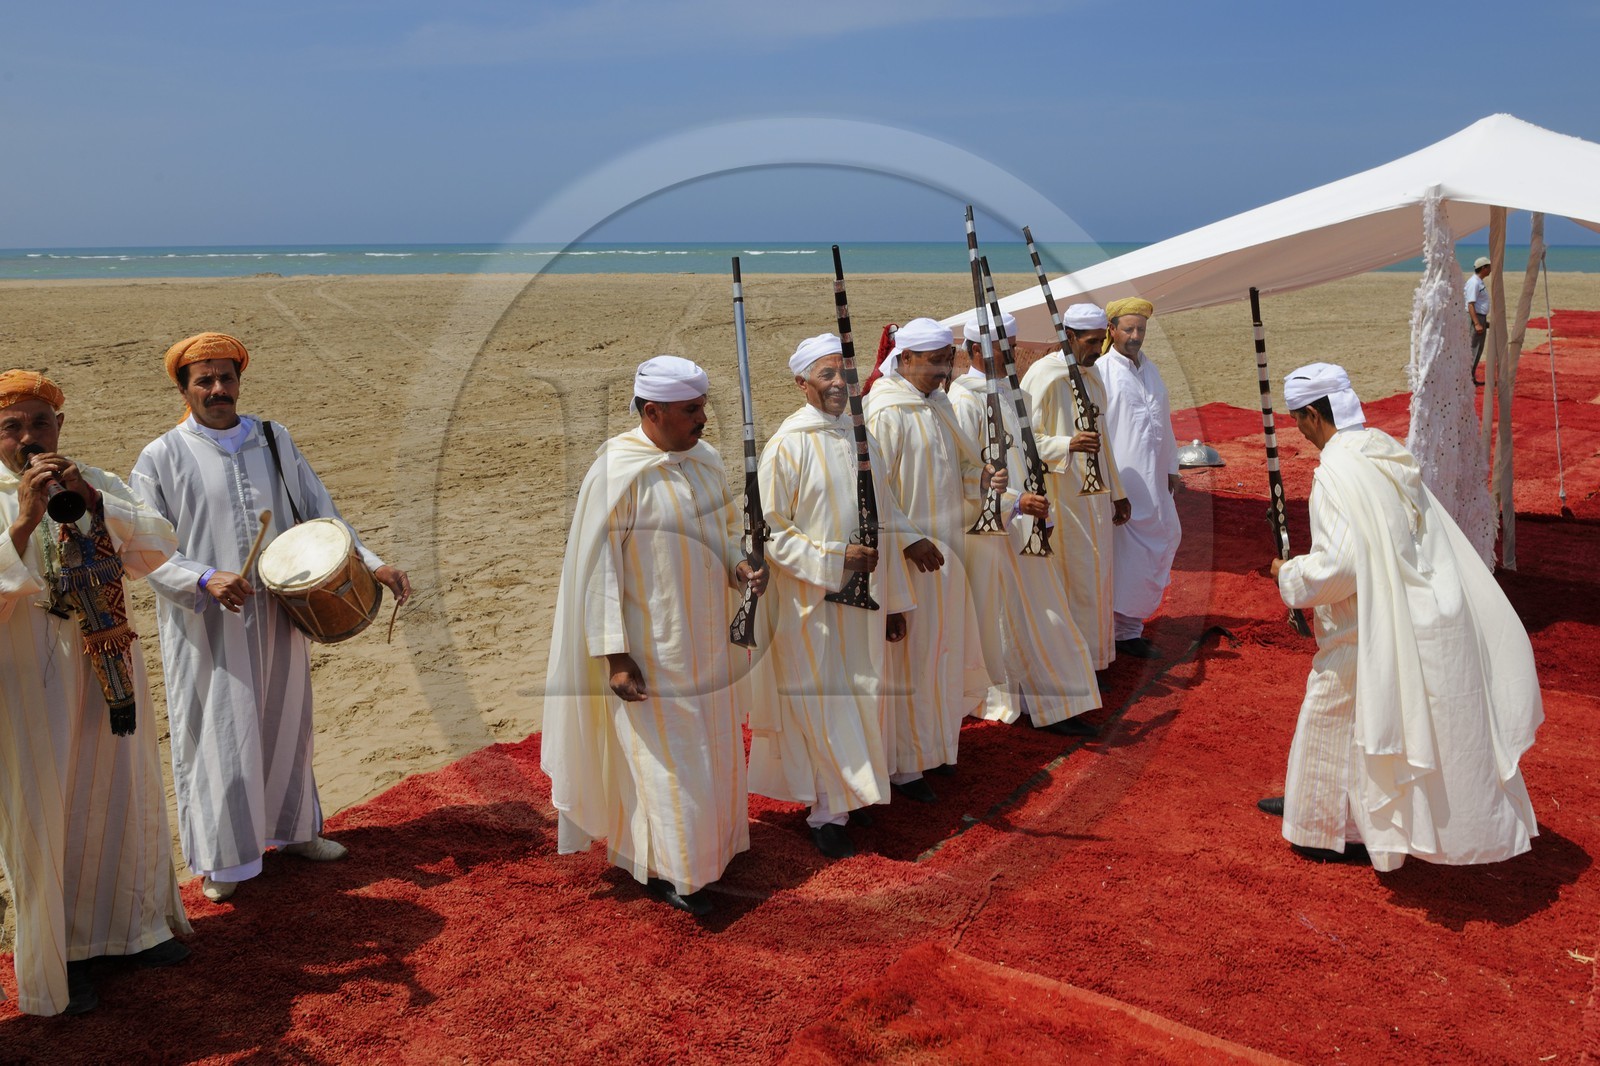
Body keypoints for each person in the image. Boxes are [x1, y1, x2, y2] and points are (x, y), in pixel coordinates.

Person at [130, 332, 410, 904]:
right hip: (209, 624)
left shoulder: (272, 439)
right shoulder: (160, 457)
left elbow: (320, 516)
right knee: (220, 732)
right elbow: (145, 549)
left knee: (287, 721)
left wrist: (372, 564)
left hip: (281, 612)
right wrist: (205, 578)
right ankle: (225, 859)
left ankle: (298, 831)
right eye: (204, 380)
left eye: (226, 377)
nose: (217, 389)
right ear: (183, 389)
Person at [1259, 363, 1541, 869]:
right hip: (1404, 612)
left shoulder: (1335, 473)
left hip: (1363, 627)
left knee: (1332, 713)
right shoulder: (1380, 451)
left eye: (1297, 419)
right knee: (1364, 723)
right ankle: (1328, 816)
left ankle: (1326, 828)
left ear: (1309, 415)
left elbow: (1340, 566)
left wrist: (1288, 573)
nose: (1298, 430)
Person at [542, 355, 764, 915]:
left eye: (704, 407)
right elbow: (598, 573)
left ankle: (714, 850)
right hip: (653, 646)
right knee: (667, 760)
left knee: (711, 749)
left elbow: (727, 530)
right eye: (691, 411)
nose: (703, 419)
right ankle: (673, 871)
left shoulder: (705, 460)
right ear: (652, 411)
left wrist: (741, 567)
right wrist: (617, 656)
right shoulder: (617, 472)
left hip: (709, 640)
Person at [0, 370, 191, 1016]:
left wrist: (92, 500)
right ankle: (67, 959)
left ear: (58, 427)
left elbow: (160, 546)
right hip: (32, 680)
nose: (29, 438)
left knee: (118, 797)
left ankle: (133, 933)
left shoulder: (96, 481)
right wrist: (24, 523)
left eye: (40, 424)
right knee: (49, 813)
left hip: (108, 673)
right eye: (12, 427)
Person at [747, 334, 915, 859]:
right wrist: (834, 558)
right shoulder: (787, 444)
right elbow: (768, 532)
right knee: (822, 703)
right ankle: (826, 813)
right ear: (803, 384)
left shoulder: (862, 437)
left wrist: (895, 599)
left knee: (863, 694)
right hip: (810, 604)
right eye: (827, 375)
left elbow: (884, 517)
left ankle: (851, 796)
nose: (840, 383)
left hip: (865, 602)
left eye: (844, 372)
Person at [862, 318, 999, 802]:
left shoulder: (937, 404)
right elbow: (874, 495)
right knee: (911, 661)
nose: (944, 370)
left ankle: (936, 749)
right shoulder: (883, 413)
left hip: (946, 550)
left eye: (948, 358)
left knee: (942, 653)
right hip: (906, 560)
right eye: (934, 360)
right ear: (905, 359)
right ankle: (905, 765)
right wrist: (908, 539)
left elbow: (959, 465)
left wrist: (980, 478)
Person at [948, 313, 1101, 735]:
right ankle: (1039, 701)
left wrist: (1037, 504)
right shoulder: (963, 401)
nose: (1010, 351)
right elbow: (965, 474)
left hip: (1026, 516)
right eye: (1002, 344)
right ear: (975, 351)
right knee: (1018, 614)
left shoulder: (1010, 390)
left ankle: (1052, 700)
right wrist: (1013, 503)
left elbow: (1027, 453)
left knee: (1039, 609)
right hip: (993, 525)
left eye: (1013, 342)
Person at [1019, 303, 1131, 672]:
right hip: (1060, 498)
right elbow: (1023, 440)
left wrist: (1117, 492)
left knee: (1096, 579)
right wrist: (1066, 443)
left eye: (1102, 340)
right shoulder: (1045, 376)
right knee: (1072, 581)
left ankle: (1097, 661)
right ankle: (1072, 668)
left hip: (1095, 502)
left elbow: (1104, 442)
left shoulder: (1093, 376)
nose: (1098, 349)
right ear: (1068, 337)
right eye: (1091, 341)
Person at [1098, 297, 1180, 659]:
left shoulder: (1151, 369)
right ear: (1111, 330)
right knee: (1125, 555)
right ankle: (1118, 632)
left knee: (1165, 538)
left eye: (1141, 330)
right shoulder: (1102, 372)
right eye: (1128, 329)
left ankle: (1131, 627)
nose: (1135, 336)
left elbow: (1164, 420)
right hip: (1124, 483)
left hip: (1155, 480)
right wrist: (1111, 487)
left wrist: (1172, 467)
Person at [1466, 255, 1492, 383]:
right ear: (1484, 268)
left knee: (1478, 348)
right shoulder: (1474, 282)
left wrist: (1483, 322)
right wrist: (1476, 323)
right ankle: (1467, 379)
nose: (1491, 269)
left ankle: (1471, 377)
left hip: (1480, 318)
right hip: (1475, 319)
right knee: (1473, 348)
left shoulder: (1479, 282)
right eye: (1489, 267)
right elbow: (1470, 304)